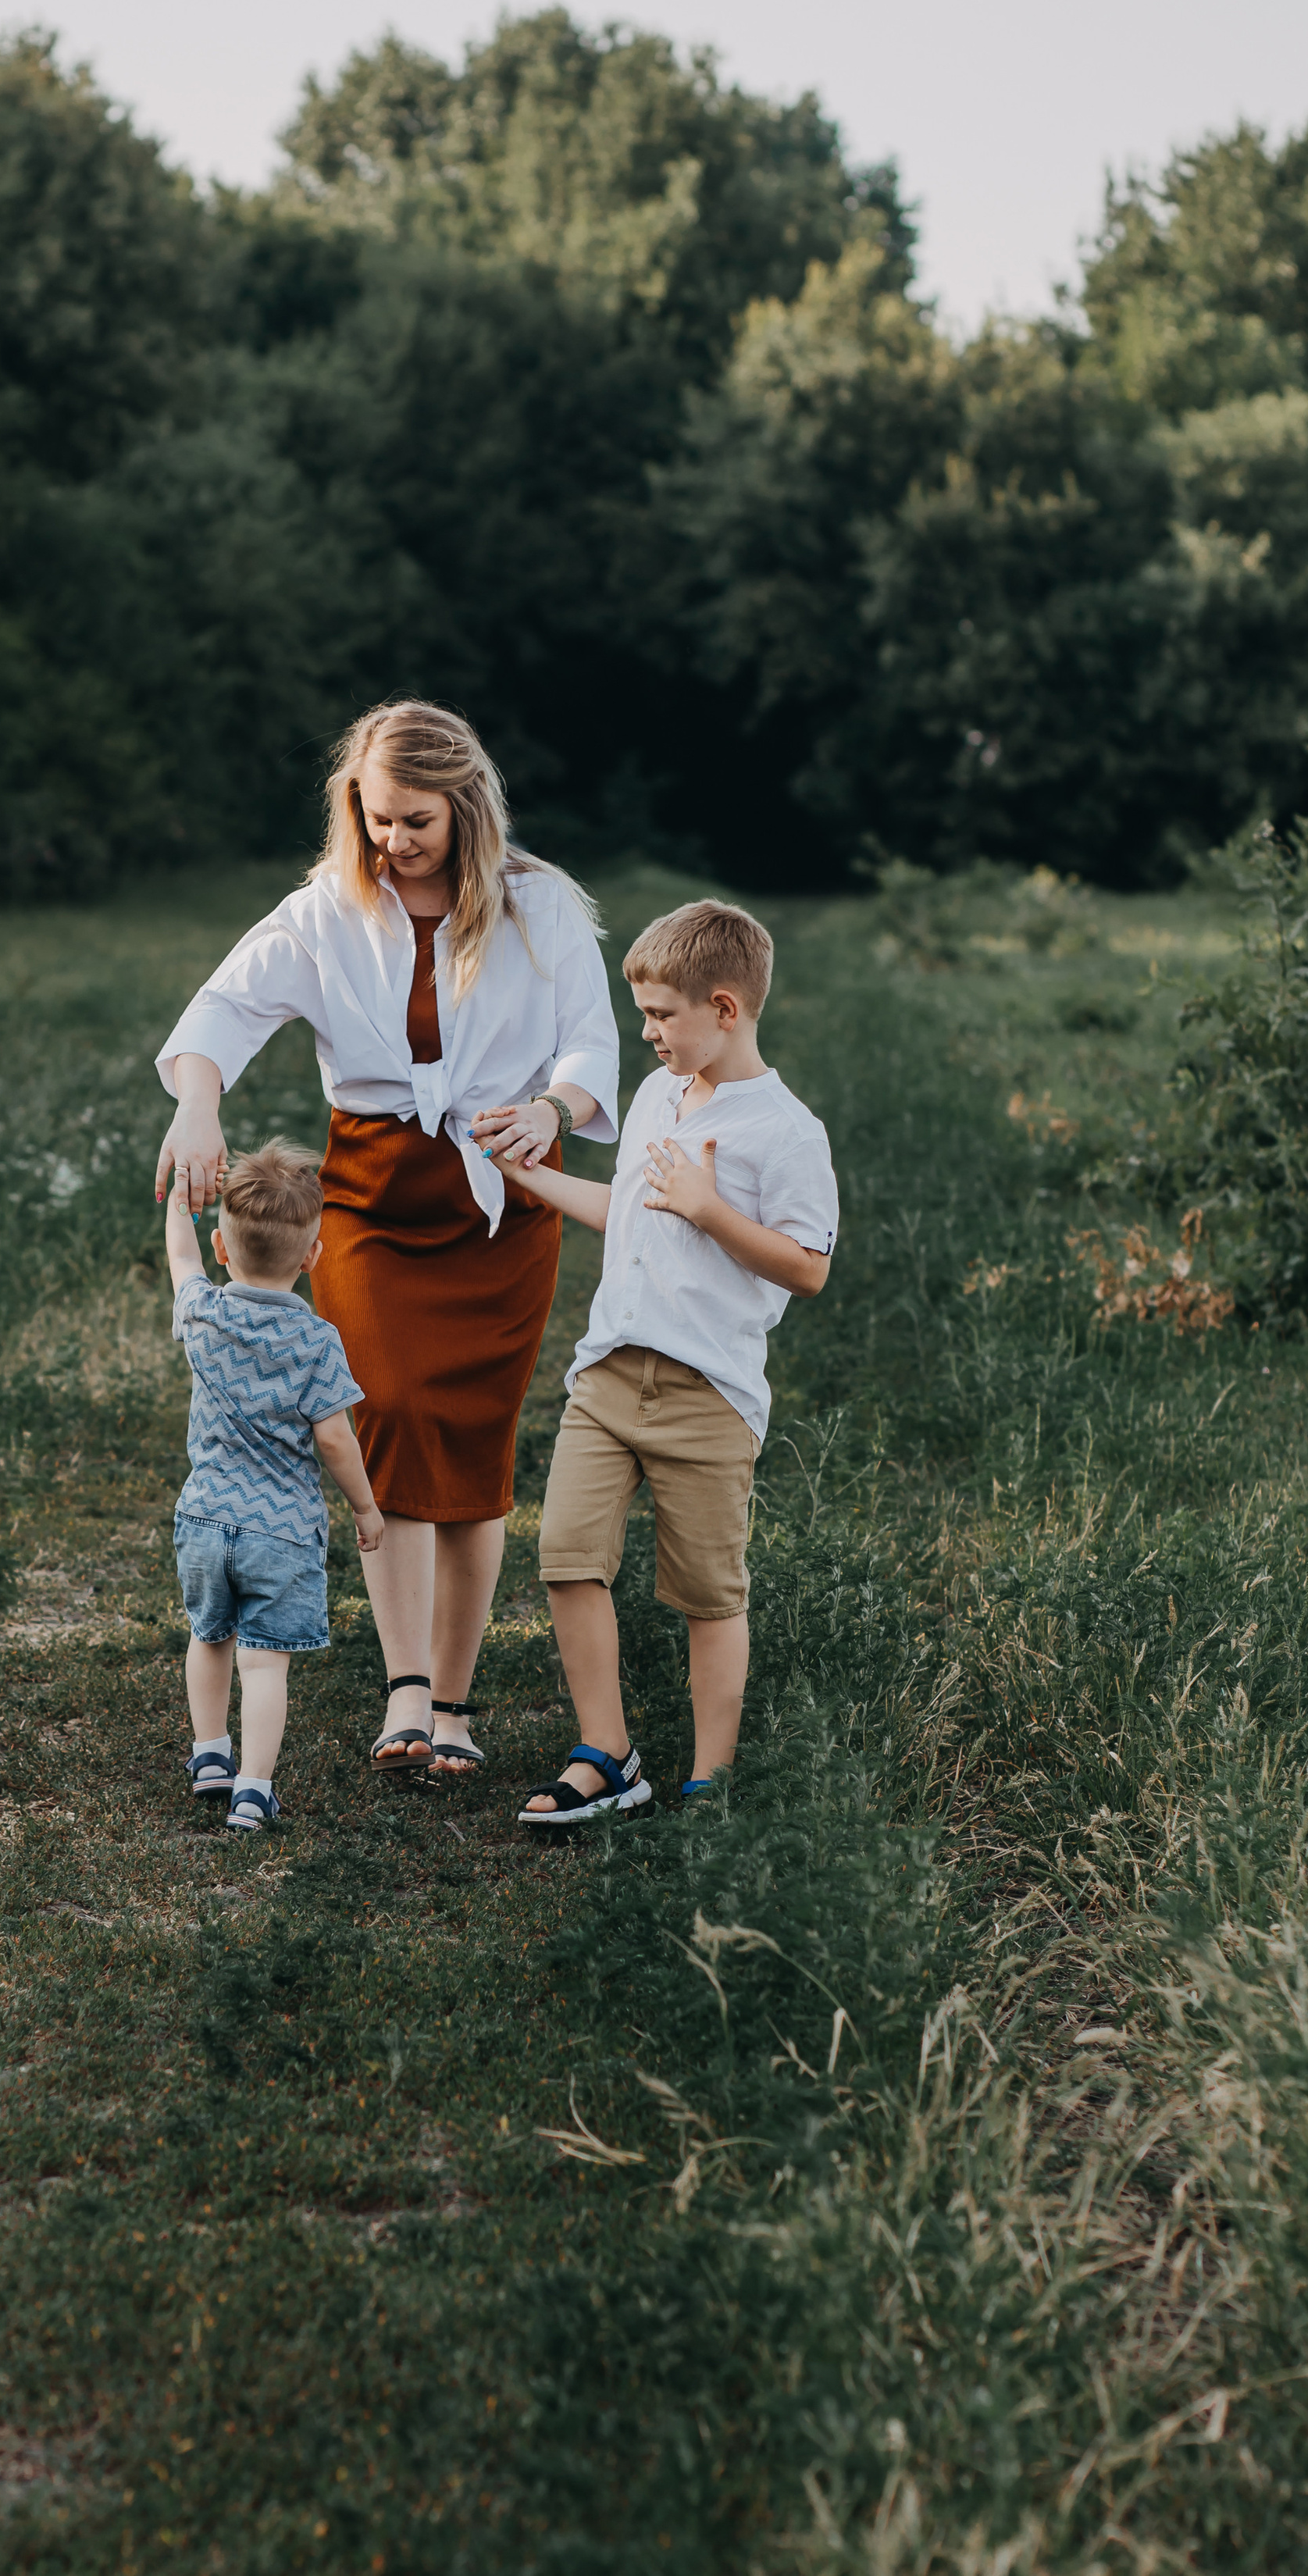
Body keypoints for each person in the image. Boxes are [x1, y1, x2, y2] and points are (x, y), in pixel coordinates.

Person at [155, 701, 618, 1782]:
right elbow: (220, 1012)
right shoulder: (327, 906)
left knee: (472, 1441)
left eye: (414, 822)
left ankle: (452, 1702)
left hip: (503, 1200)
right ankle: (404, 1684)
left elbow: (593, 1040)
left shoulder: (539, 906)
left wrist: (554, 1108)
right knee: (389, 1411)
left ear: (464, 808)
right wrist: (198, 1106)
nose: (390, 843)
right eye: (373, 820)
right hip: (366, 1201)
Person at [479, 898, 836, 1828]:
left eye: (661, 1016)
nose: (646, 1034)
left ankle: (708, 1778)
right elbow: (634, 1206)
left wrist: (709, 1210)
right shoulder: (653, 1098)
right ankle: (607, 1751)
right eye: (640, 1014)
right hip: (607, 1376)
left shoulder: (787, 1130)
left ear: (725, 1008)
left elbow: (808, 1267)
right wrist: (534, 1177)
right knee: (564, 1557)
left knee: (708, 1593)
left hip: (706, 1394)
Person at [165, 1138, 383, 1834]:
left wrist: (180, 1199)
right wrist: (365, 1505)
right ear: (314, 1258)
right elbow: (334, 1438)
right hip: (280, 1530)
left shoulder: (204, 1312)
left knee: (208, 1636)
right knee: (265, 1668)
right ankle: (254, 1790)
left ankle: (208, 1755)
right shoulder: (317, 1341)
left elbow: (181, 1260)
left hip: (203, 1520)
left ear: (224, 1251)